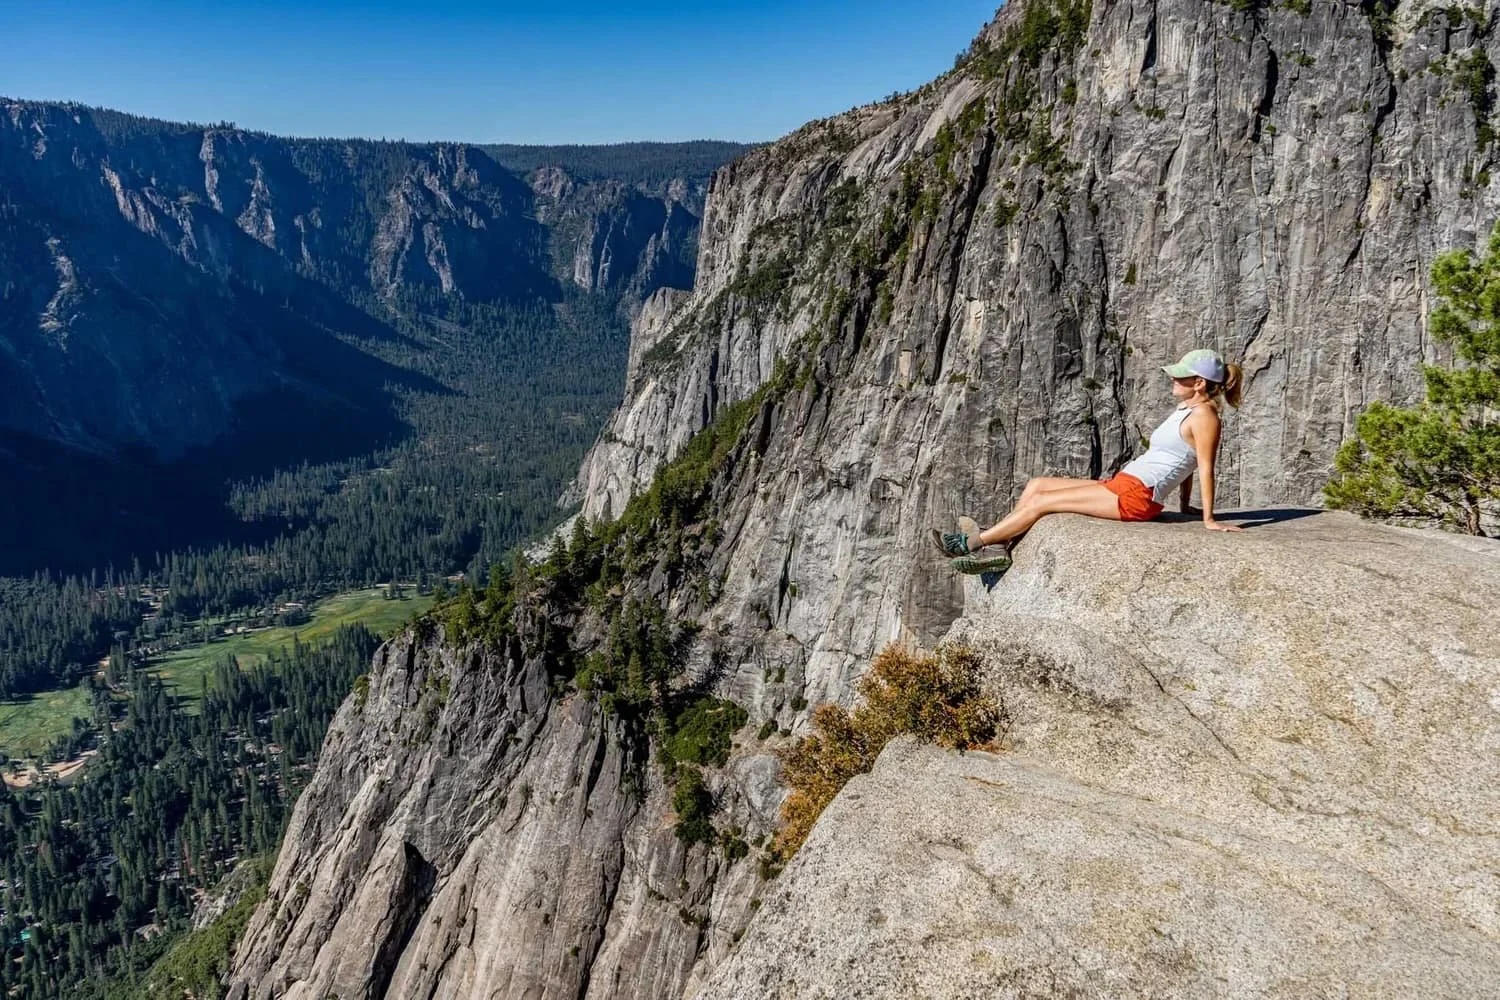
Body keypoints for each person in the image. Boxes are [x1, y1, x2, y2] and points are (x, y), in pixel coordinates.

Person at [934, 349, 1246, 561]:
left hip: (1137, 498)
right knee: (1037, 486)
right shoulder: (1186, 409)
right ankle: (1003, 543)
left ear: (1200, 383)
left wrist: (1209, 520)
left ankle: (974, 544)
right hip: (1125, 483)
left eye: (1180, 377)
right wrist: (1183, 504)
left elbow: (1205, 466)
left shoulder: (1205, 417)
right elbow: (1185, 460)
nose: (1173, 380)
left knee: (1043, 504)